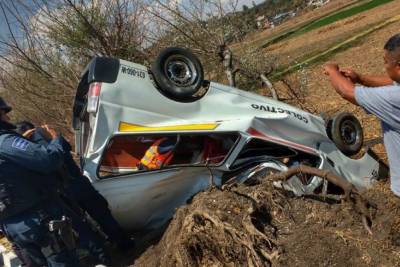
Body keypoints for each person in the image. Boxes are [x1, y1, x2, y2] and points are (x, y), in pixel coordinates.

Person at [15, 121, 134, 253]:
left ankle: (104, 252)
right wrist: (55, 137)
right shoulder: (48, 137)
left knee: (82, 226)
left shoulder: (24, 151)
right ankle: (123, 243)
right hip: (76, 183)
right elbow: (64, 148)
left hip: (61, 192)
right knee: (101, 214)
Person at [0, 97, 82, 267]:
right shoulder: (5, 142)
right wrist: (55, 140)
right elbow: (47, 160)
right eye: (4, 113)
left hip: (14, 227)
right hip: (38, 220)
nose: (8, 117)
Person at [323, 33, 400, 197]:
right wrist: (361, 78)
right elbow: (391, 82)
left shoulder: (395, 98)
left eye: (386, 62)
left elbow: (347, 91)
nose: (384, 66)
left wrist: (332, 70)